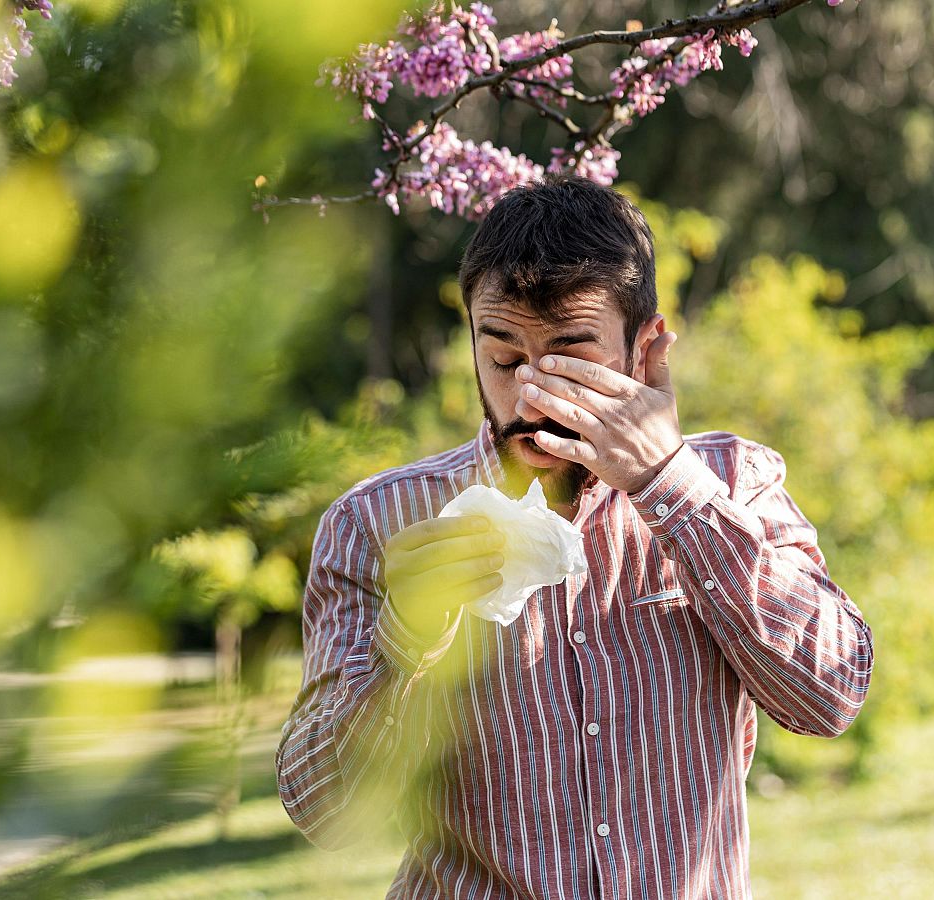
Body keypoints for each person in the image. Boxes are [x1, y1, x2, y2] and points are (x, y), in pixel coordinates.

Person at [275, 176, 874, 897]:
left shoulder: (734, 482)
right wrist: (403, 640)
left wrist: (668, 483)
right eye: (501, 358)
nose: (530, 394)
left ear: (644, 348)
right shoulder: (376, 524)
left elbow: (829, 695)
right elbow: (324, 815)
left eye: (568, 359)